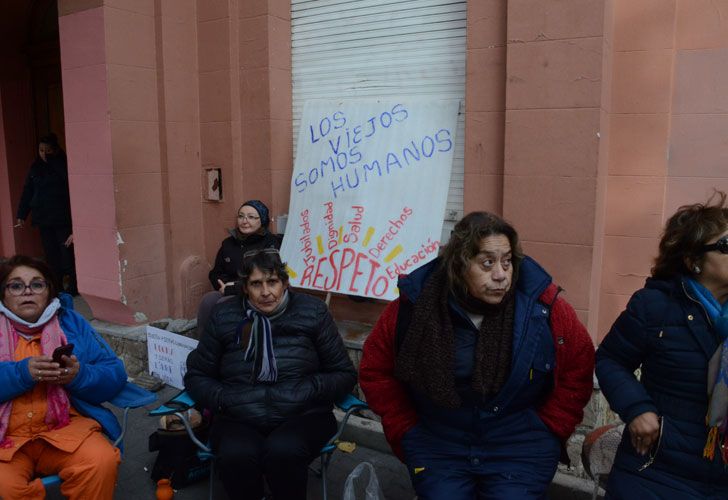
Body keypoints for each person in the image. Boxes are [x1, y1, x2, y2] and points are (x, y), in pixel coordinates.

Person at [359, 211, 595, 499]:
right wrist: (407, 430)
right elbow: (376, 371)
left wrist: (548, 429)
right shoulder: (415, 307)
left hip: (519, 446)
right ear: (459, 265)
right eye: (487, 263)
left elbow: (579, 365)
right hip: (438, 443)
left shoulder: (542, 307)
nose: (500, 275)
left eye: (507, 262)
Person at [185, 249, 356, 500]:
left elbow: (344, 374)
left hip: (303, 414)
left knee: (283, 451)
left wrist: (307, 390)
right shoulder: (224, 316)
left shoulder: (313, 312)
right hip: (239, 415)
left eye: (272, 282)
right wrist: (225, 398)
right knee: (237, 454)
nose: (266, 292)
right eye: (256, 284)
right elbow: (197, 375)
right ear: (245, 287)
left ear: (285, 283)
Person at [596, 191, 728, 499]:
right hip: (657, 473)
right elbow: (610, 360)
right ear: (693, 260)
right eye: (726, 246)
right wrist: (637, 409)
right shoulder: (655, 306)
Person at [0, 255, 128, 499]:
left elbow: (114, 374)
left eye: (37, 284)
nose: (27, 291)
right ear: (3, 293)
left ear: (49, 291)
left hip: (64, 429)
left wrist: (79, 376)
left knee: (100, 461)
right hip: (6, 438)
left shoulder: (70, 323)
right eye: (16, 285)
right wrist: (21, 373)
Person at [198, 200, 282, 335]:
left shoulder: (271, 244)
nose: (244, 221)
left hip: (256, 292)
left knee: (223, 304)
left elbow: (266, 277)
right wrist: (222, 285)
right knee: (208, 301)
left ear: (263, 220)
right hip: (227, 289)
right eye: (241, 216)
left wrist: (232, 288)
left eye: (251, 217)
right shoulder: (228, 244)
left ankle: (229, 345)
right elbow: (215, 272)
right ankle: (204, 343)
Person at [16, 134, 77, 295]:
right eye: (41, 150)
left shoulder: (62, 165)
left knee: (67, 254)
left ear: (55, 150)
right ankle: (56, 286)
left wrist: (53, 161)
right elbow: (28, 191)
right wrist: (22, 214)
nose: (44, 154)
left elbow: (71, 187)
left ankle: (73, 287)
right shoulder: (35, 167)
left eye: (48, 151)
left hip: (62, 218)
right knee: (51, 255)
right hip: (43, 218)